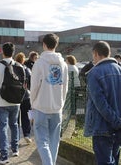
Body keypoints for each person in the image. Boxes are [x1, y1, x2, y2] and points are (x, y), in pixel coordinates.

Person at [84, 41, 121, 165]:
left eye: (93, 55)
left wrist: (118, 122)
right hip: (120, 128)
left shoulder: (94, 73)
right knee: (114, 160)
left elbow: (100, 104)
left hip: (102, 127)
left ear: (96, 53)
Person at [30, 33, 68, 165]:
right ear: (56, 45)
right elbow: (65, 88)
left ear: (44, 44)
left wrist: (32, 103)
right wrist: (61, 104)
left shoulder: (39, 63)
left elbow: (34, 87)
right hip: (57, 108)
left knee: (42, 141)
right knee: (54, 141)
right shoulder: (63, 64)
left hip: (41, 107)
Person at [0, 42, 20, 164]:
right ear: (13, 52)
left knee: (3, 128)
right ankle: (15, 149)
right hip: (16, 102)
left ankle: (4, 156)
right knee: (15, 125)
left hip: (1, 102)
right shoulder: (19, 66)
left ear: (3, 52)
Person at [14, 52, 32, 144]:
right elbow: (31, 84)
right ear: (23, 60)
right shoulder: (27, 69)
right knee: (25, 117)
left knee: (15, 118)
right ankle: (27, 135)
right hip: (26, 96)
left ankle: (15, 138)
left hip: (15, 97)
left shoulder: (12, 69)